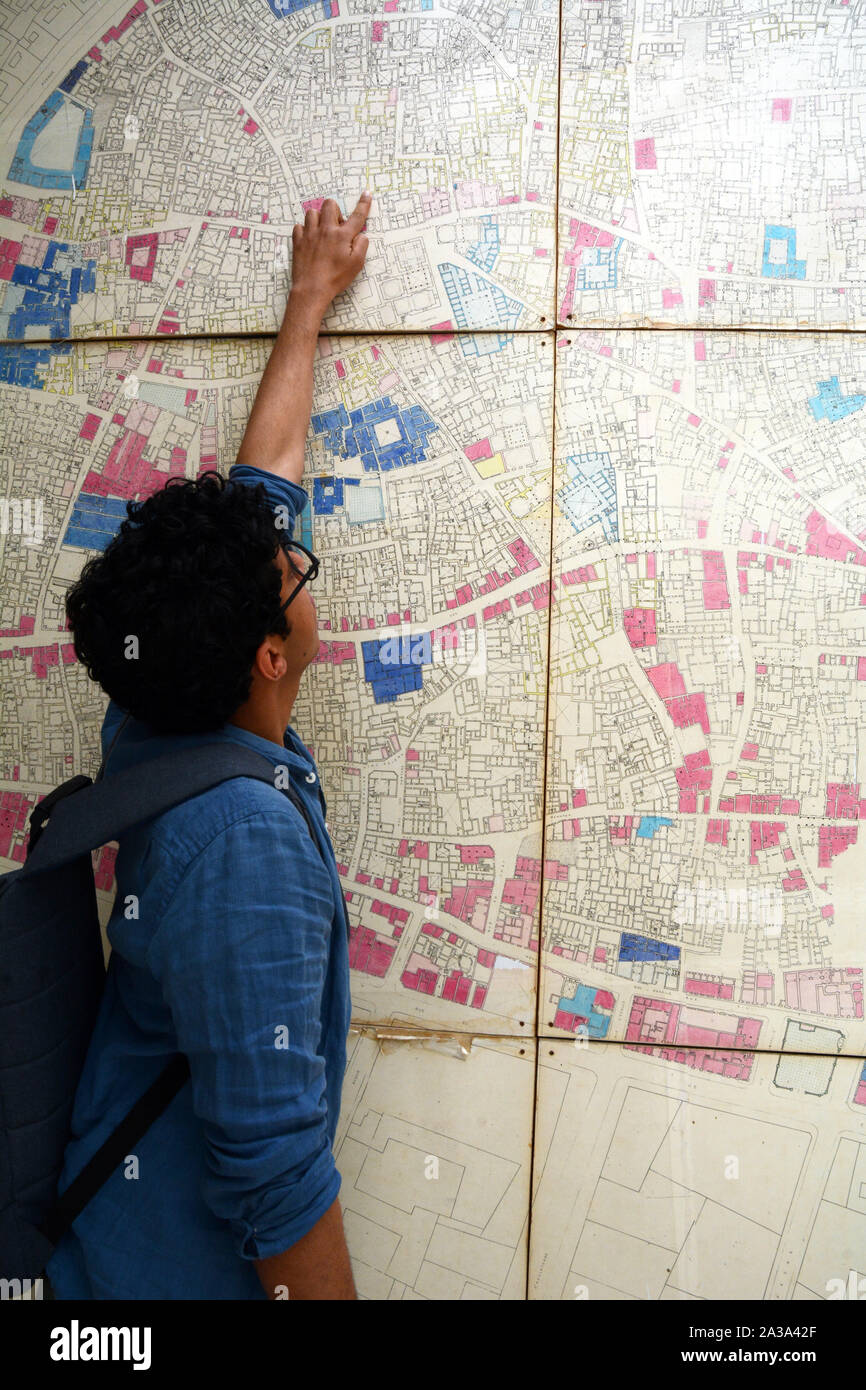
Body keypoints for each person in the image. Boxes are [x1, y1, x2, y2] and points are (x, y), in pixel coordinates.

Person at [44, 193, 372, 1300]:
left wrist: (307, 302)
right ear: (270, 657)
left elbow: (258, 494)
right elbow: (275, 1176)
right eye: (295, 576)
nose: (296, 562)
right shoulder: (243, 840)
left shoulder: (159, 704)